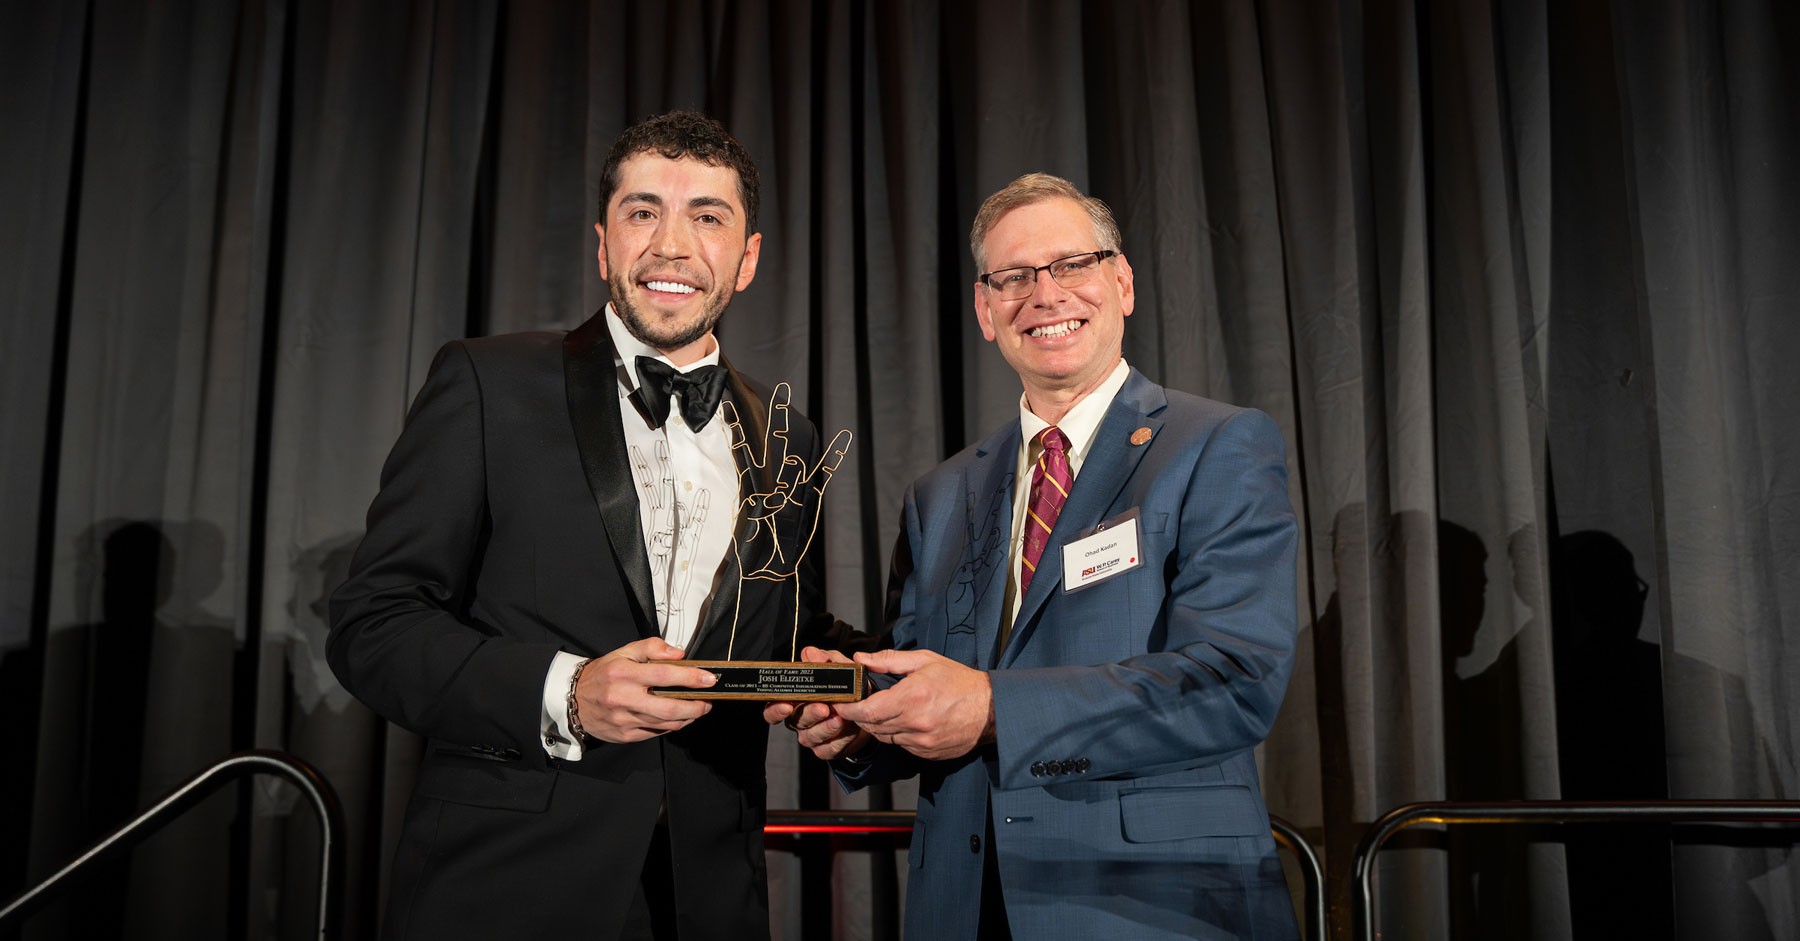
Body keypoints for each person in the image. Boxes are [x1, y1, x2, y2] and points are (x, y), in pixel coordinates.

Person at [329, 110, 863, 940]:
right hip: (507, 890)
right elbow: (373, 624)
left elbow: (783, 630)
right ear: (603, 244)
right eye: (643, 211)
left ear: (748, 259)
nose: (672, 245)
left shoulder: (780, 430)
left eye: (708, 217)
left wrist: (847, 692)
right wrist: (567, 692)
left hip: (711, 898)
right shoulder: (486, 381)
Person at [769, 173, 1301, 939]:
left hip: (1151, 906)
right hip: (962, 902)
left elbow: (1233, 679)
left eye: (1072, 265)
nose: (1045, 294)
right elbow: (929, 681)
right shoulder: (940, 493)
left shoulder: (1217, 445)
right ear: (986, 311)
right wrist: (862, 726)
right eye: (1014, 277)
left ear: (1120, 282)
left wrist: (991, 707)